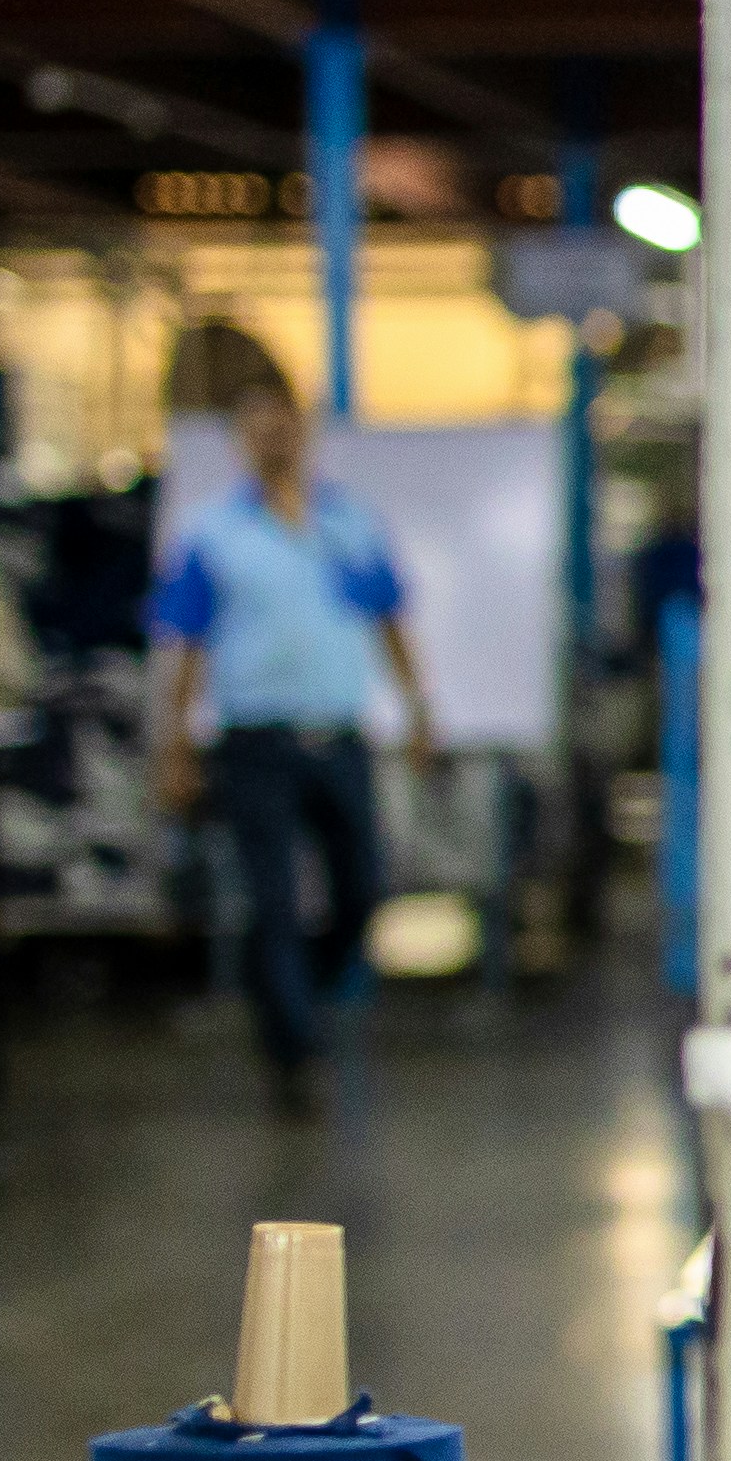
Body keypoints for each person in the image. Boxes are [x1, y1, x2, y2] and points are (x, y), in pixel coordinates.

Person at [153, 373, 435, 1114]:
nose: (275, 439)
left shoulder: (348, 525)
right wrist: (176, 747)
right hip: (254, 741)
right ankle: (292, 1049)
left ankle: (297, 996)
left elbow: (388, 620)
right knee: (271, 901)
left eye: (286, 425)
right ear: (241, 440)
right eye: (258, 427)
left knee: (363, 888)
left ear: (304, 433)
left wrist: (418, 710)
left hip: (339, 735)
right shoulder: (213, 536)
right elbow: (184, 647)